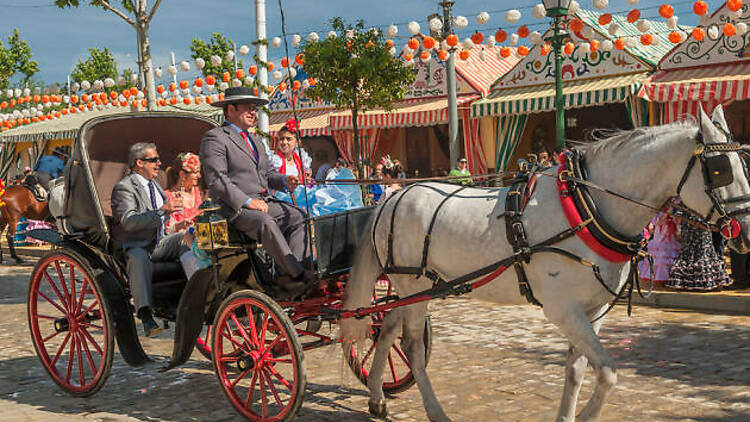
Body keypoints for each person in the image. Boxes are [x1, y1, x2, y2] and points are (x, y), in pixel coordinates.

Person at [201, 87, 312, 290]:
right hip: (234, 209)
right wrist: (247, 201)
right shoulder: (215, 137)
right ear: (231, 109)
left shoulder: (255, 140)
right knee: (265, 221)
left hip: (264, 202)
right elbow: (217, 179)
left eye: (255, 108)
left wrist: (285, 181)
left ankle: (290, 272)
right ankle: (298, 273)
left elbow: (269, 174)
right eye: (248, 108)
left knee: (299, 215)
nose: (254, 113)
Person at [110, 142, 186, 337]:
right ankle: (145, 314)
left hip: (160, 241)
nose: (159, 163)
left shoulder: (155, 186)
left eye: (158, 159)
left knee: (190, 237)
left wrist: (175, 226)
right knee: (138, 257)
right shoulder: (124, 188)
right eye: (154, 160)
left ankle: (197, 287)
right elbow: (129, 222)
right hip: (136, 244)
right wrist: (162, 210)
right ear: (139, 163)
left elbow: (162, 220)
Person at [666, 219, 732, 291]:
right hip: (690, 229)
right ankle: (687, 282)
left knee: (704, 252)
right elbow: (678, 215)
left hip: (703, 230)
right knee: (690, 252)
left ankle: (704, 282)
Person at [164, 152, 203, 234]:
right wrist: (179, 226)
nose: (199, 176)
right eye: (195, 172)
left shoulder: (200, 192)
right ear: (182, 174)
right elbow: (165, 230)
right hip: (180, 242)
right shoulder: (168, 197)